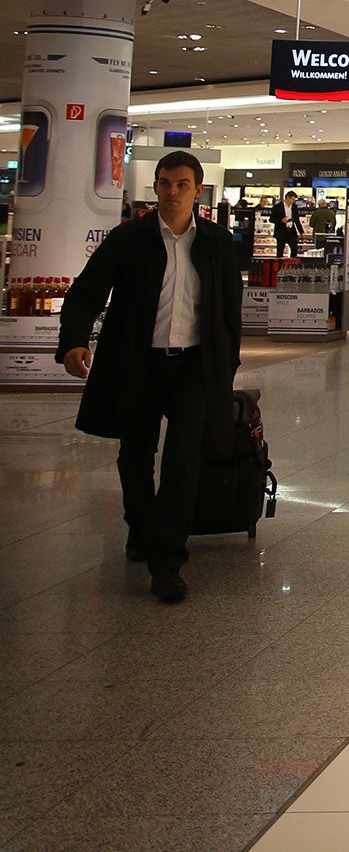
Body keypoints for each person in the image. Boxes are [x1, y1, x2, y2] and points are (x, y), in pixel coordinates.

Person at [55, 151, 243, 604]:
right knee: (135, 455)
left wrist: (225, 367)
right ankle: (141, 528)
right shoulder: (130, 239)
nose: (171, 192)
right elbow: (86, 292)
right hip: (137, 363)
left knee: (183, 460)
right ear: (154, 188)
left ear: (198, 190)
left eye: (181, 184)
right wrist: (74, 340)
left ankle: (167, 564)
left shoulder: (217, 242)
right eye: (164, 183)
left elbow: (228, 312)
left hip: (192, 368)